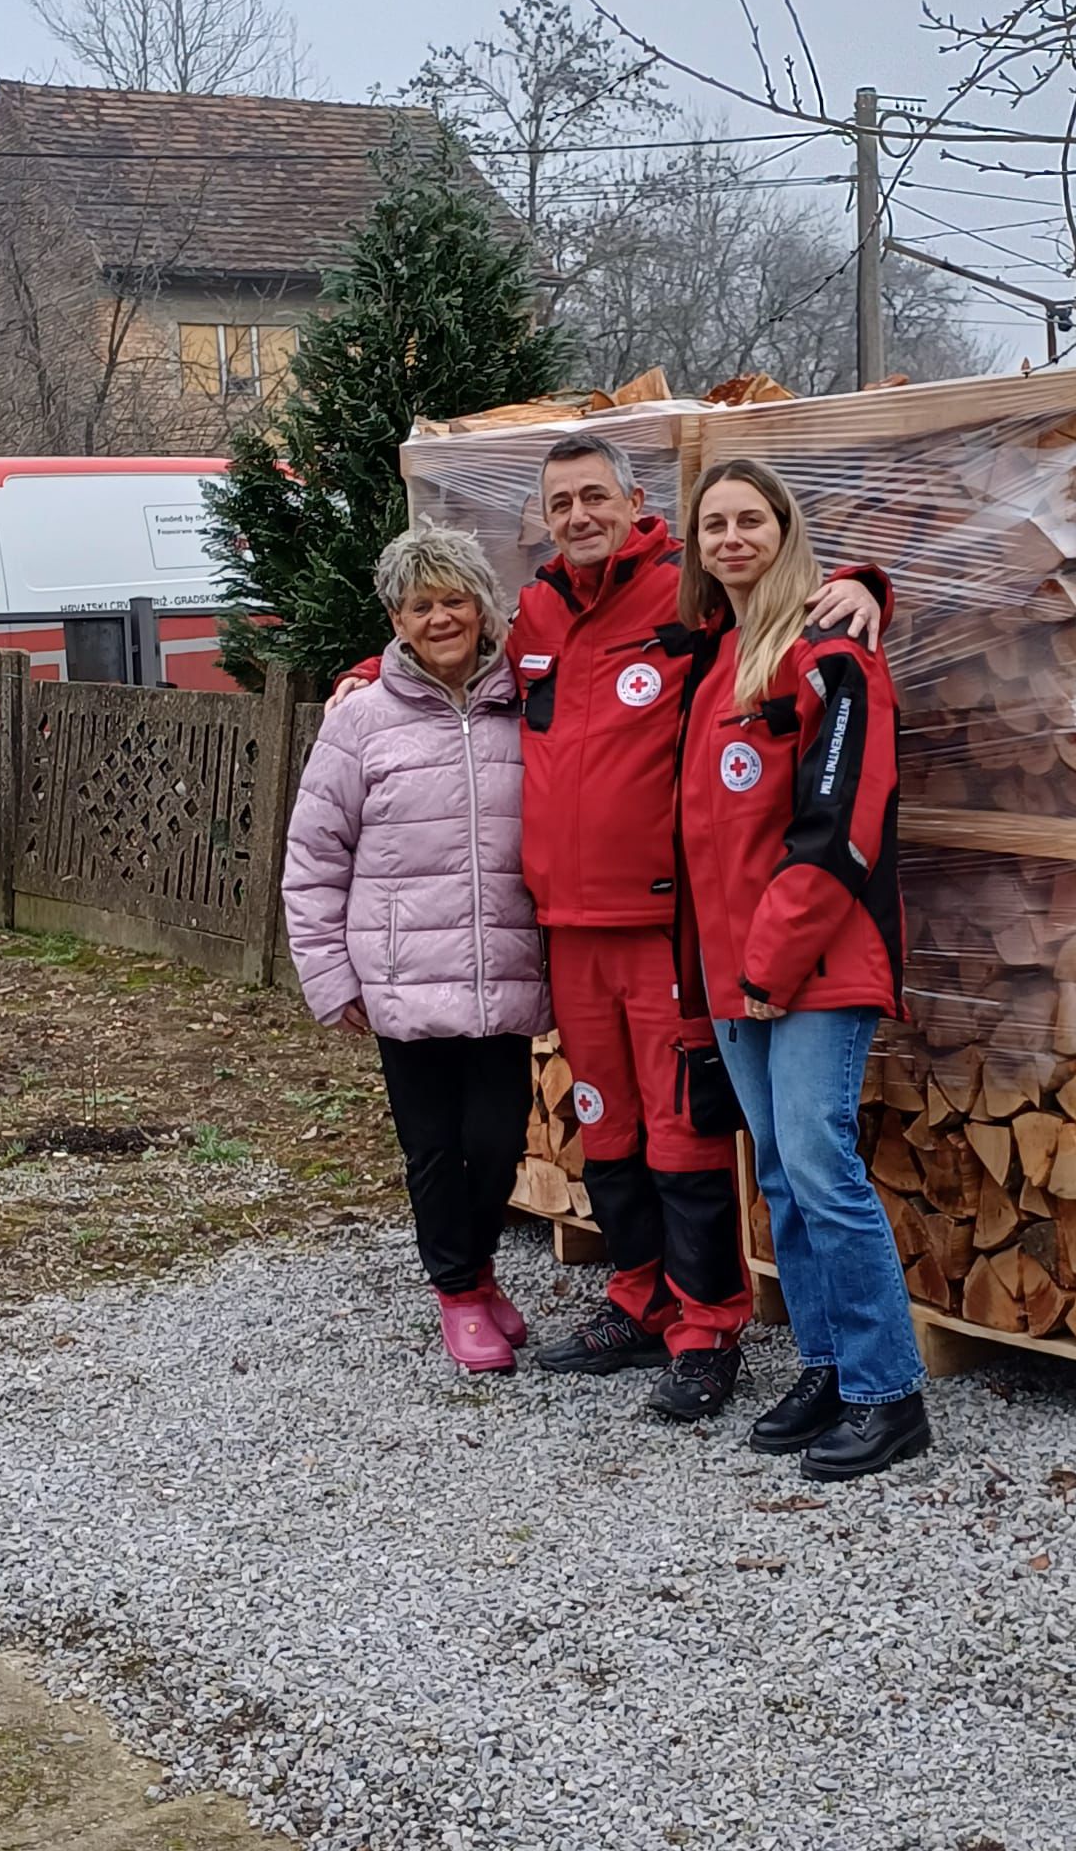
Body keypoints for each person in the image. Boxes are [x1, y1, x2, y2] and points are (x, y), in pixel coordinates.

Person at [331, 432, 887, 1423]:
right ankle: (639, 1297)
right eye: (561, 502)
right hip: (568, 927)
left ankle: (706, 1325)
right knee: (607, 1123)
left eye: (596, 496)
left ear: (634, 502)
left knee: (683, 1130)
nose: (579, 516)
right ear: (544, 518)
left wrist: (863, 582)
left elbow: (775, 591)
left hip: (665, 924)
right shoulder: (539, 610)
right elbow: (458, 658)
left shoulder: (686, 593)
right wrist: (376, 667)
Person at [673, 456, 929, 1480]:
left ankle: (889, 1392)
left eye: (751, 520)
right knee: (780, 1171)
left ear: (785, 530)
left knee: (822, 1169)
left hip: (815, 963)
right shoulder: (717, 657)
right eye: (714, 524)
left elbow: (840, 825)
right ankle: (827, 1366)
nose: (732, 538)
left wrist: (770, 963)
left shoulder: (831, 656)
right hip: (738, 973)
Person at [283, 523, 550, 1375]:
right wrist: (329, 976)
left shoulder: (525, 704)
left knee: (499, 1141)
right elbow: (314, 856)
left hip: (503, 968)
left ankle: (478, 1267)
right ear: (396, 620)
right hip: (402, 976)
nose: (441, 619)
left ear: (483, 608)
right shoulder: (361, 721)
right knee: (435, 1147)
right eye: (420, 605)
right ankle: (459, 1292)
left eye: (454, 600)